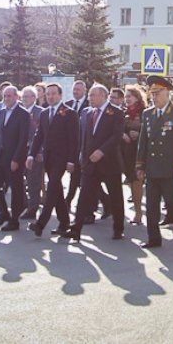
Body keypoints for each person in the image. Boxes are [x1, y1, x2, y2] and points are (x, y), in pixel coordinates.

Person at [137, 76, 173, 249]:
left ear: (167, 92)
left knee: (172, 202)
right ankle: (154, 238)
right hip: (153, 168)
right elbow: (143, 142)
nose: (154, 97)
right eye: (152, 93)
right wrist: (140, 165)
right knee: (151, 205)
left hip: (170, 168)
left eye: (158, 93)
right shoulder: (147, 114)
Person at [67, 84, 126, 242]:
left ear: (103, 96)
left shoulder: (116, 112)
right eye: (90, 95)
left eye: (93, 95)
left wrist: (102, 151)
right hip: (90, 163)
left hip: (109, 162)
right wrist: (82, 155)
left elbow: (116, 136)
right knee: (84, 196)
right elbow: (84, 137)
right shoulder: (87, 112)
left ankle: (118, 228)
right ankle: (76, 228)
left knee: (115, 196)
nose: (90, 98)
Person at [27, 83, 79, 238]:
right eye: (48, 94)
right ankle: (64, 223)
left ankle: (40, 223)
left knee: (52, 188)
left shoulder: (69, 113)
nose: (50, 96)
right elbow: (39, 136)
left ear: (60, 95)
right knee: (56, 190)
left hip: (62, 159)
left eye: (53, 94)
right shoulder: (44, 113)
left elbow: (74, 139)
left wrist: (71, 160)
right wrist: (31, 154)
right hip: (48, 158)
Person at [0, 86, 30, 232]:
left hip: (14, 158)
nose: (6, 99)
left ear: (16, 97)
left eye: (9, 96)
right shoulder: (0, 112)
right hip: (0, 156)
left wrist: (17, 159)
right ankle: (4, 213)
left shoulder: (23, 114)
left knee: (16, 190)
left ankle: (14, 220)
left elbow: (23, 139)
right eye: (5, 96)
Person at [122, 86, 146, 225]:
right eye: (126, 97)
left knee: (137, 181)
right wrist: (123, 134)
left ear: (137, 97)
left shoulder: (144, 112)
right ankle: (137, 209)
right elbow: (119, 128)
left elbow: (150, 129)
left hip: (139, 151)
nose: (127, 99)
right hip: (126, 151)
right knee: (131, 181)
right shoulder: (124, 113)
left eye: (129, 96)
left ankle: (138, 212)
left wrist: (139, 134)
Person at [20, 86, 44, 220]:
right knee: (18, 180)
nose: (24, 99)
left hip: (35, 153)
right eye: (23, 97)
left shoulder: (40, 112)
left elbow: (43, 134)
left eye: (27, 96)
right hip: (20, 152)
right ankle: (24, 204)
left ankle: (33, 208)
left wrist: (40, 151)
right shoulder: (20, 111)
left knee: (33, 181)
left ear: (34, 98)